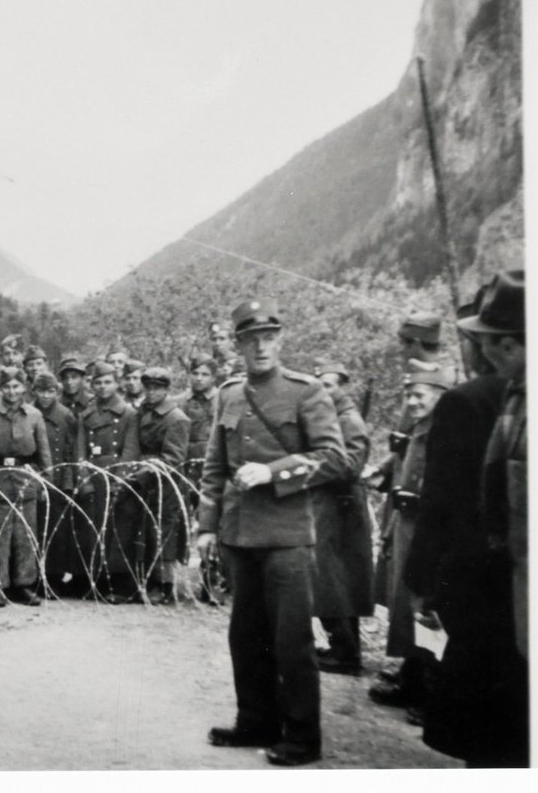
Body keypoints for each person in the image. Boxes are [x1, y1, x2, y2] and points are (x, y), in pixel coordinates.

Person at [196, 299, 347, 767]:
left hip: (286, 538)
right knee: (246, 635)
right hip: (240, 535)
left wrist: (275, 472)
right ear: (238, 345)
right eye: (250, 339)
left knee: (290, 641)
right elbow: (214, 467)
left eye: (268, 338)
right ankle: (256, 720)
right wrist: (206, 529)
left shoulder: (307, 393)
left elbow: (336, 457)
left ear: (280, 340)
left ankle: (302, 737)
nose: (260, 347)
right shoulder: (229, 395)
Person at [403, 282, 525, 766]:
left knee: (489, 731)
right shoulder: (515, 396)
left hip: (484, 584)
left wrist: (421, 580)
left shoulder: (464, 401)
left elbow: (441, 502)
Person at [464, 270, 529, 765]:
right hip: (511, 583)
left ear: (509, 345)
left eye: (488, 342)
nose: (482, 353)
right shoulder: (515, 396)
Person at [369, 362, 454, 721]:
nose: (412, 402)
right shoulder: (420, 427)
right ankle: (414, 677)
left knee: (428, 609)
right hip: (408, 525)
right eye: (409, 395)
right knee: (407, 605)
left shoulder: (447, 431)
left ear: (439, 395)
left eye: (419, 395)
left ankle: (433, 693)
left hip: (431, 531)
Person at [310, 359, 375, 676]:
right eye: (319, 384)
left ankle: (346, 652)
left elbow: (350, 467)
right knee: (333, 579)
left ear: (343, 387)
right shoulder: (331, 416)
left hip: (342, 507)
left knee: (334, 578)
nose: (324, 390)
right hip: (330, 505)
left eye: (330, 385)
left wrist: (308, 467)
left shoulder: (349, 420)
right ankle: (343, 647)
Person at [0, 367, 52, 607]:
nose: (11, 391)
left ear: (24, 388)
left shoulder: (35, 416)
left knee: (26, 536)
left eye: (16, 386)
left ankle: (25, 585)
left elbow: (43, 453)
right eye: (7, 386)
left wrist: (44, 482)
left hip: (26, 479)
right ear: (0, 388)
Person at [75, 361, 140, 601]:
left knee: (119, 530)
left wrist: (120, 480)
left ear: (117, 384)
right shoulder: (86, 415)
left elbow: (130, 449)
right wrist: (84, 480)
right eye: (98, 383)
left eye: (107, 382)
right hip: (94, 475)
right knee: (93, 530)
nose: (102, 387)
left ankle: (121, 585)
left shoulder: (129, 413)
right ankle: (97, 581)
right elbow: (80, 451)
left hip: (116, 475)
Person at [124, 366, 190, 604]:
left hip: (165, 484)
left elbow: (173, 458)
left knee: (164, 533)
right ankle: (145, 581)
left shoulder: (176, 418)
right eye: (148, 387)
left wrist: (145, 471)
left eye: (157, 388)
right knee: (144, 530)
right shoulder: (141, 412)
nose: (151, 393)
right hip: (144, 480)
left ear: (166, 390)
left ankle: (164, 585)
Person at [30, 372, 78, 598]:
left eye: (50, 391)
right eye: (41, 391)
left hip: (58, 480)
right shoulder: (28, 413)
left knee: (56, 533)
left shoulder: (65, 415)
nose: (46, 396)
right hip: (34, 478)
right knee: (35, 529)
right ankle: (34, 578)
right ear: (34, 392)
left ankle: (54, 578)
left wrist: (68, 485)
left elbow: (70, 452)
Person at [179, 353, 221, 603]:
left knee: (212, 524)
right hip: (186, 470)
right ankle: (167, 580)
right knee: (181, 523)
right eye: (195, 373)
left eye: (205, 374)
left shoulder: (221, 401)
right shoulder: (180, 402)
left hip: (212, 469)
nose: (199, 378)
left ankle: (212, 581)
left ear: (214, 377)